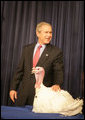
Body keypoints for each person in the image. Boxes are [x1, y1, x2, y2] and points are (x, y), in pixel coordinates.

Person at [9, 22, 64, 106]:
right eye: (46, 32)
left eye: (50, 32)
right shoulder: (27, 49)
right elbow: (20, 70)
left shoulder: (56, 52)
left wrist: (57, 84)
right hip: (23, 95)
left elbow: (58, 71)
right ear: (38, 33)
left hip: (41, 97)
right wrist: (13, 88)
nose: (49, 35)